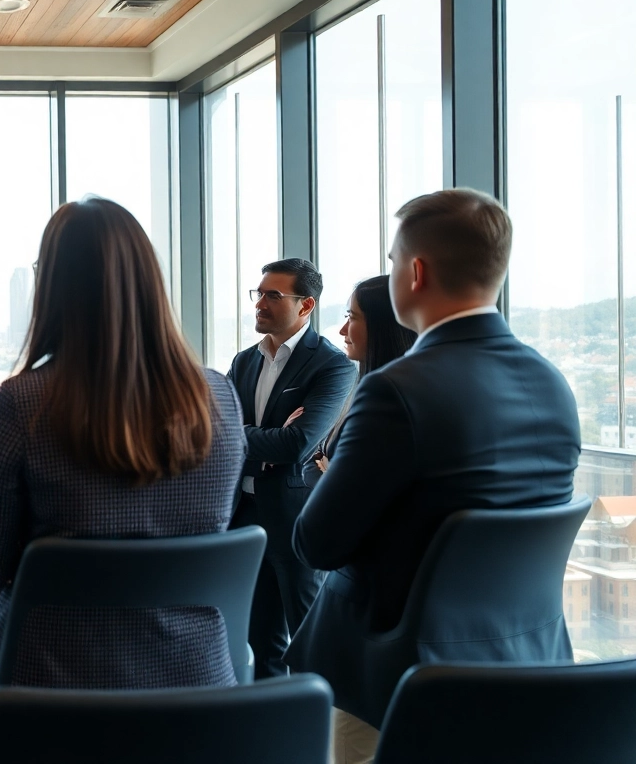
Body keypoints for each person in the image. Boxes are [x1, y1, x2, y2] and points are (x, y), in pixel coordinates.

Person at [286, 189, 582, 763]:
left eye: (393, 262)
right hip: (526, 671)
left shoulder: (397, 389)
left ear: (415, 272)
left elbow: (316, 543)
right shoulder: (553, 384)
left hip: (393, 685)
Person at [0, 198, 245, 694]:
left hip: (54, 690)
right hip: (196, 689)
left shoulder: (24, 401)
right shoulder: (218, 395)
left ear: (53, 285)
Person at [225, 258, 356, 680]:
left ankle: (314, 737)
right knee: (259, 639)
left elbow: (297, 443)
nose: (260, 303)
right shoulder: (245, 361)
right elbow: (217, 435)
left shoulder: (332, 366)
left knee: (306, 640)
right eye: (258, 293)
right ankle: (267, 736)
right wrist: (265, 441)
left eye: (272, 295)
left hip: (295, 518)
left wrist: (245, 436)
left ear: (306, 305)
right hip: (242, 515)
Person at [301, 275, 415, 487]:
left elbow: (347, 488)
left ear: (382, 325)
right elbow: (313, 462)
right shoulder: (362, 386)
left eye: (352, 317)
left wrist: (328, 471)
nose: (343, 330)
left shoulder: (389, 401)